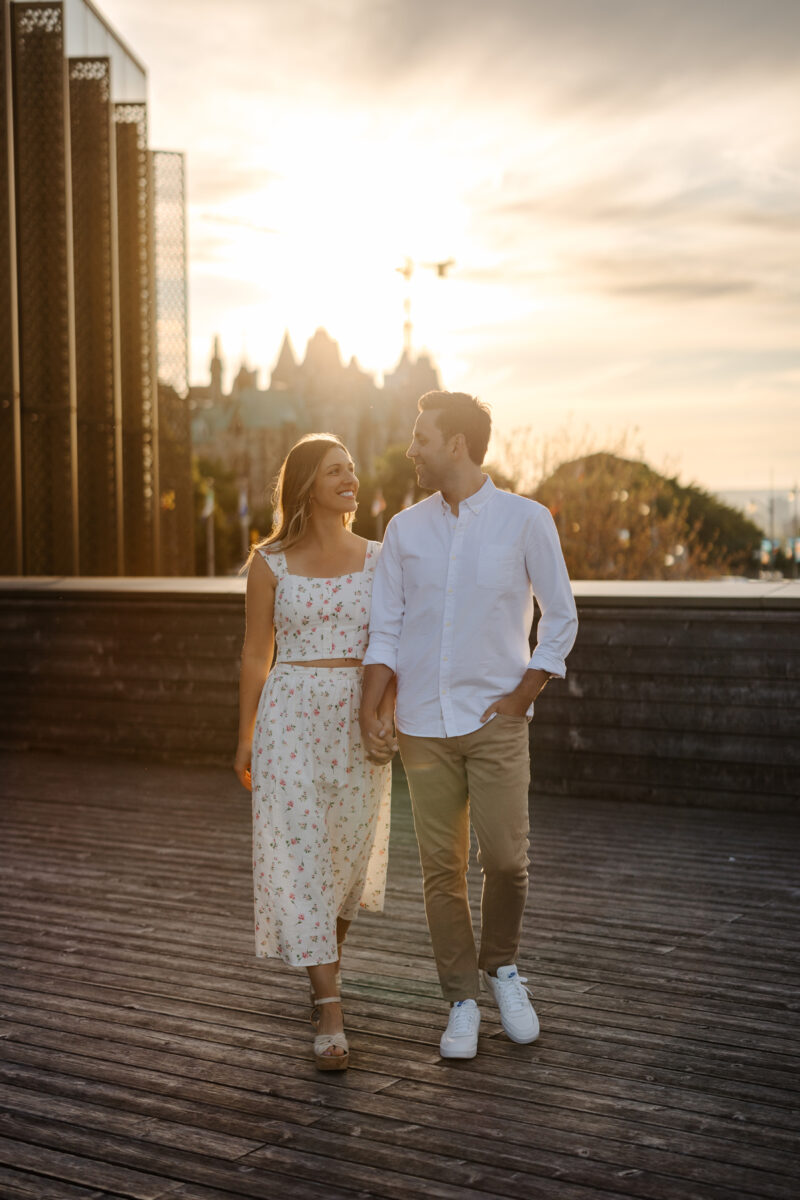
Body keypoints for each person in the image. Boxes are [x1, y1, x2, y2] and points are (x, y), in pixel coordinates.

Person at [360, 391, 578, 1060]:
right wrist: (373, 705)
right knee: (441, 871)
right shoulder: (404, 529)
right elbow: (387, 627)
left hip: (496, 721)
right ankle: (460, 998)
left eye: (421, 436)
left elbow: (561, 615)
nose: (411, 448)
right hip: (423, 723)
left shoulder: (526, 519)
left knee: (507, 861)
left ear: (455, 443)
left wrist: (520, 698)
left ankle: (502, 967)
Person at [235, 433, 396, 1071]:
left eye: (352, 468)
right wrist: (244, 733)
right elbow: (255, 653)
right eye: (335, 471)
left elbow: (393, 644)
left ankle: (324, 972)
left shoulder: (382, 559)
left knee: (346, 868)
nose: (350, 478)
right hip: (290, 720)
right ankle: (328, 1006)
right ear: (306, 484)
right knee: (301, 856)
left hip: (356, 719)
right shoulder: (268, 563)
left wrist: (385, 714)